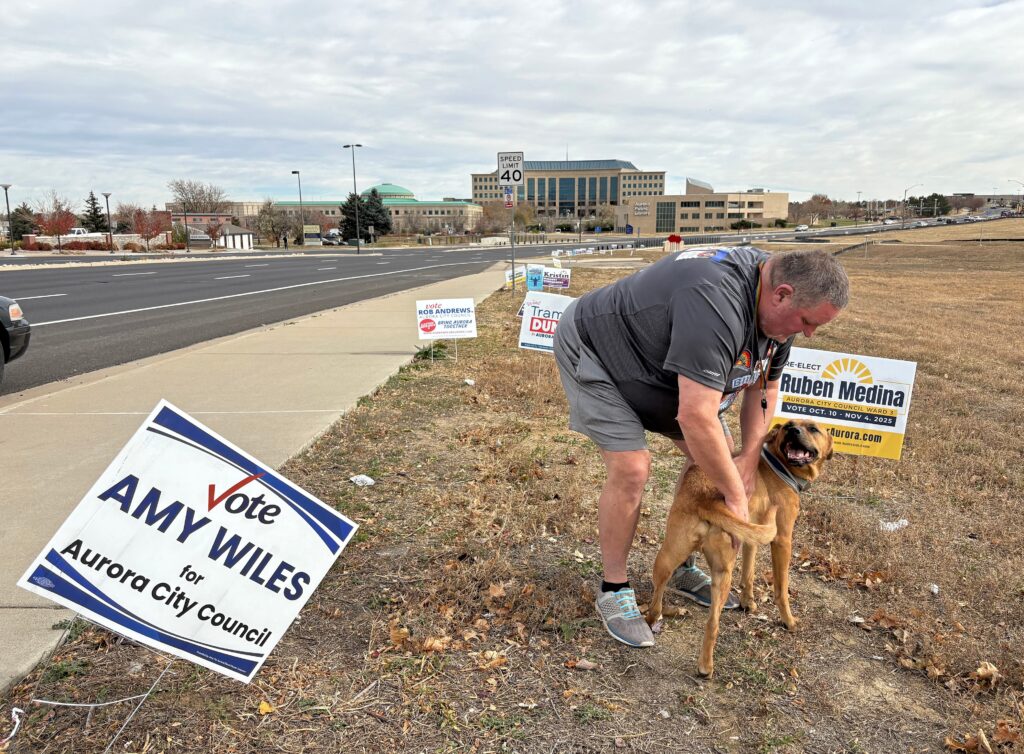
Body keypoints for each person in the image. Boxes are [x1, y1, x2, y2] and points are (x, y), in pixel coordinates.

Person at [553, 247, 849, 648]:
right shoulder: (714, 301)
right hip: (599, 350)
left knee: (720, 457)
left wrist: (748, 459)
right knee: (633, 467)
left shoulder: (781, 312)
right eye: (808, 322)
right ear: (781, 294)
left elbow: (764, 389)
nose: (808, 333)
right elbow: (695, 416)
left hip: (659, 371)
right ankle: (614, 588)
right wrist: (736, 495)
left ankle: (680, 562)